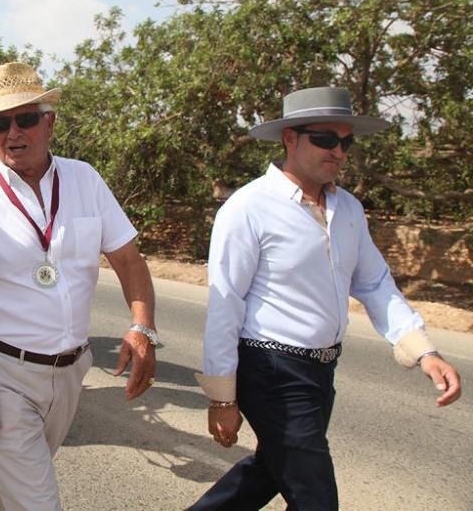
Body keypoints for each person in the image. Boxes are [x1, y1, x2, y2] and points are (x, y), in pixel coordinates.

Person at [190, 86, 463, 510]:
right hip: (271, 371)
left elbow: (373, 283)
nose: (338, 151)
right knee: (315, 498)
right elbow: (226, 305)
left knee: (270, 472)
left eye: (346, 141)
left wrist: (423, 350)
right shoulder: (248, 208)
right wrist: (222, 397)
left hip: (320, 372)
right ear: (290, 139)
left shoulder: (348, 209)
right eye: (325, 139)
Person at [0, 62, 158, 511]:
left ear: (49, 121)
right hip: (1, 373)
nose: (12, 132)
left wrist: (142, 327)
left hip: (72, 371)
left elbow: (129, 261)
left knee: (14, 490)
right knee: (38, 502)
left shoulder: (85, 180)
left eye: (25, 118)